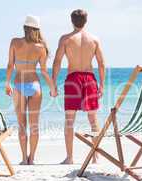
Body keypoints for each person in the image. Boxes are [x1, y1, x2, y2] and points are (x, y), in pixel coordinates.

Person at [52, 9, 105, 164]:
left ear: (72, 21)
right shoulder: (94, 39)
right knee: (93, 119)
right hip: (89, 79)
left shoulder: (66, 39)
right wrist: (101, 84)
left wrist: (54, 83)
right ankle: (95, 156)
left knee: (69, 120)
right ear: (86, 21)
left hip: (73, 79)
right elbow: (101, 63)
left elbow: (57, 62)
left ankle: (69, 158)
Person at [6, 15, 56, 165]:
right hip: (35, 86)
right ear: (37, 29)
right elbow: (44, 72)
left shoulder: (15, 42)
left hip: (19, 85)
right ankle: (32, 158)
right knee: (34, 125)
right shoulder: (41, 47)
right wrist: (53, 87)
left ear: (24, 27)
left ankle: (23, 159)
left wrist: (7, 84)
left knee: (22, 125)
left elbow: (10, 66)